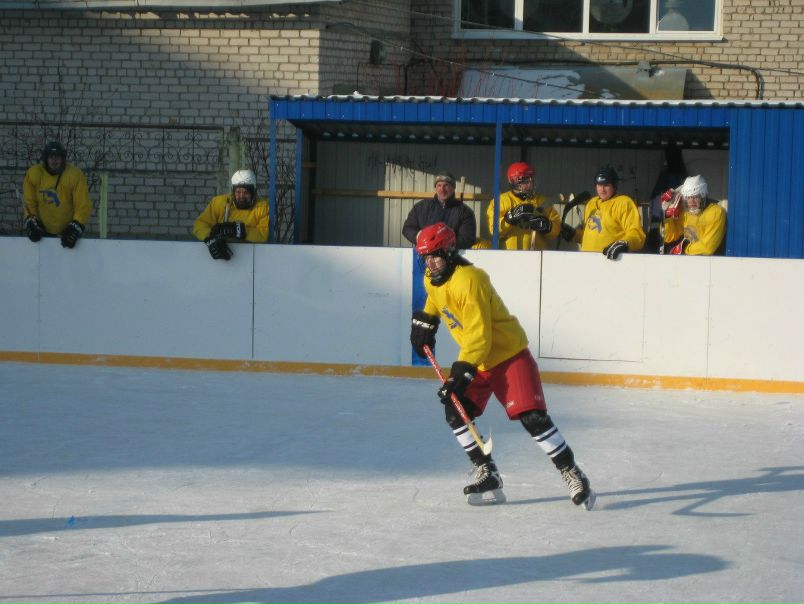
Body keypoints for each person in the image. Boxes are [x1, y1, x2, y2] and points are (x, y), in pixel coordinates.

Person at [410, 222, 595, 509]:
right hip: (479, 359)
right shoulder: (431, 277)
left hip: (508, 356)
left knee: (532, 418)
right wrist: (427, 320)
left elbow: (479, 334)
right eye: (426, 257)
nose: (431, 263)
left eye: (435, 255)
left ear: (449, 251)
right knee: (455, 410)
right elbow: (436, 299)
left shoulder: (470, 279)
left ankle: (571, 471)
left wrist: (460, 372)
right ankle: (488, 472)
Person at [560, 166, 645, 260]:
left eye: (606, 185)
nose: (602, 189)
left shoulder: (624, 203)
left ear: (614, 186)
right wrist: (574, 235)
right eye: (599, 185)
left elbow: (637, 234)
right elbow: (593, 235)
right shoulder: (591, 203)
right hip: (587, 261)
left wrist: (625, 243)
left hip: (611, 261)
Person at [22, 140, 92, 248]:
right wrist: (31, 220)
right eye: (51, 157)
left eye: (57, 157)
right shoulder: (34, 173)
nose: (54, 160)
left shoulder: (74, 175)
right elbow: (29, 201)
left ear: (63, 159)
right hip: (42, 229)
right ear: (45, 159)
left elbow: (82, 204)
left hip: (67, 229)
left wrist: (76, 225)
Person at [192, 169, 269, 260]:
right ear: (233, 191)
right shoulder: (220, 203)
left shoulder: (262, 207)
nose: (241, 196)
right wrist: (211, 239)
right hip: (222, 259)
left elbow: (263, 235)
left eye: (246, 192)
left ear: (253, 192)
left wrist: (240, 231)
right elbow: (199, 225)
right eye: (238, 192)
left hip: (251, 257)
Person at [487, 162, 560, 250]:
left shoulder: (542, 201)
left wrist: (547, 226)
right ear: (514, 181)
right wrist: (509, 218)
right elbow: (494, 231)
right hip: (508, 256)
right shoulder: (500, 201)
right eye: (525, 180)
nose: (530, 183)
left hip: (537, 257)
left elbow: (556, 230)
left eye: (531, 179)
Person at [402, 171, 476, 250]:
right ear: (435, 188)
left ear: (453, 188)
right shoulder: (420, 207)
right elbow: (408, 228)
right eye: (439, 185)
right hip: (423, 256)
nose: (442, 189)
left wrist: (444, 244)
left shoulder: (465, 212)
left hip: (451, 258)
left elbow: (467, 238)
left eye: (446, 185)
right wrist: (420, 237)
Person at [661, 174, 726, 255]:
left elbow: (707, 248)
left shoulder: (715, 212)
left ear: (703, 196)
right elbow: (668, 237)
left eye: (695, 197)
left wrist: (684, 249)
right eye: (688, 197)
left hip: (711, 263)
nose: (691, 201)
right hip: (690, 259)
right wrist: (666, 217)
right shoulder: (685, 212)